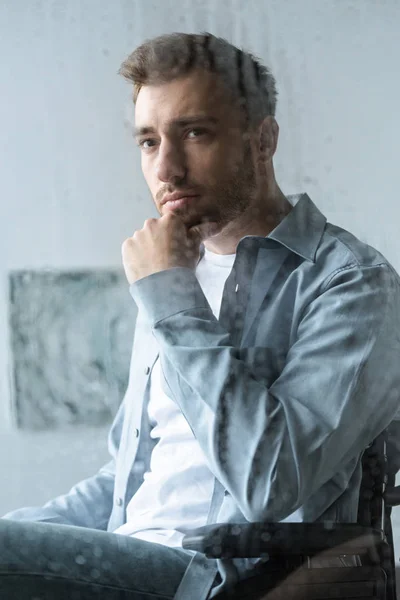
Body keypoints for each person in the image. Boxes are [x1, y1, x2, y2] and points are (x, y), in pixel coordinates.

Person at [1, 32, 400, 600]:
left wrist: (168, 297)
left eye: (194, 133)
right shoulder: (172, 274)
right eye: (147, 141)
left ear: (263, 140)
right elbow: (124, 483)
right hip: (127, 557)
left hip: (220, 576)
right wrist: (21, 536)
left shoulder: (351, 283)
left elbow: (270, 483)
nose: (166, 168)